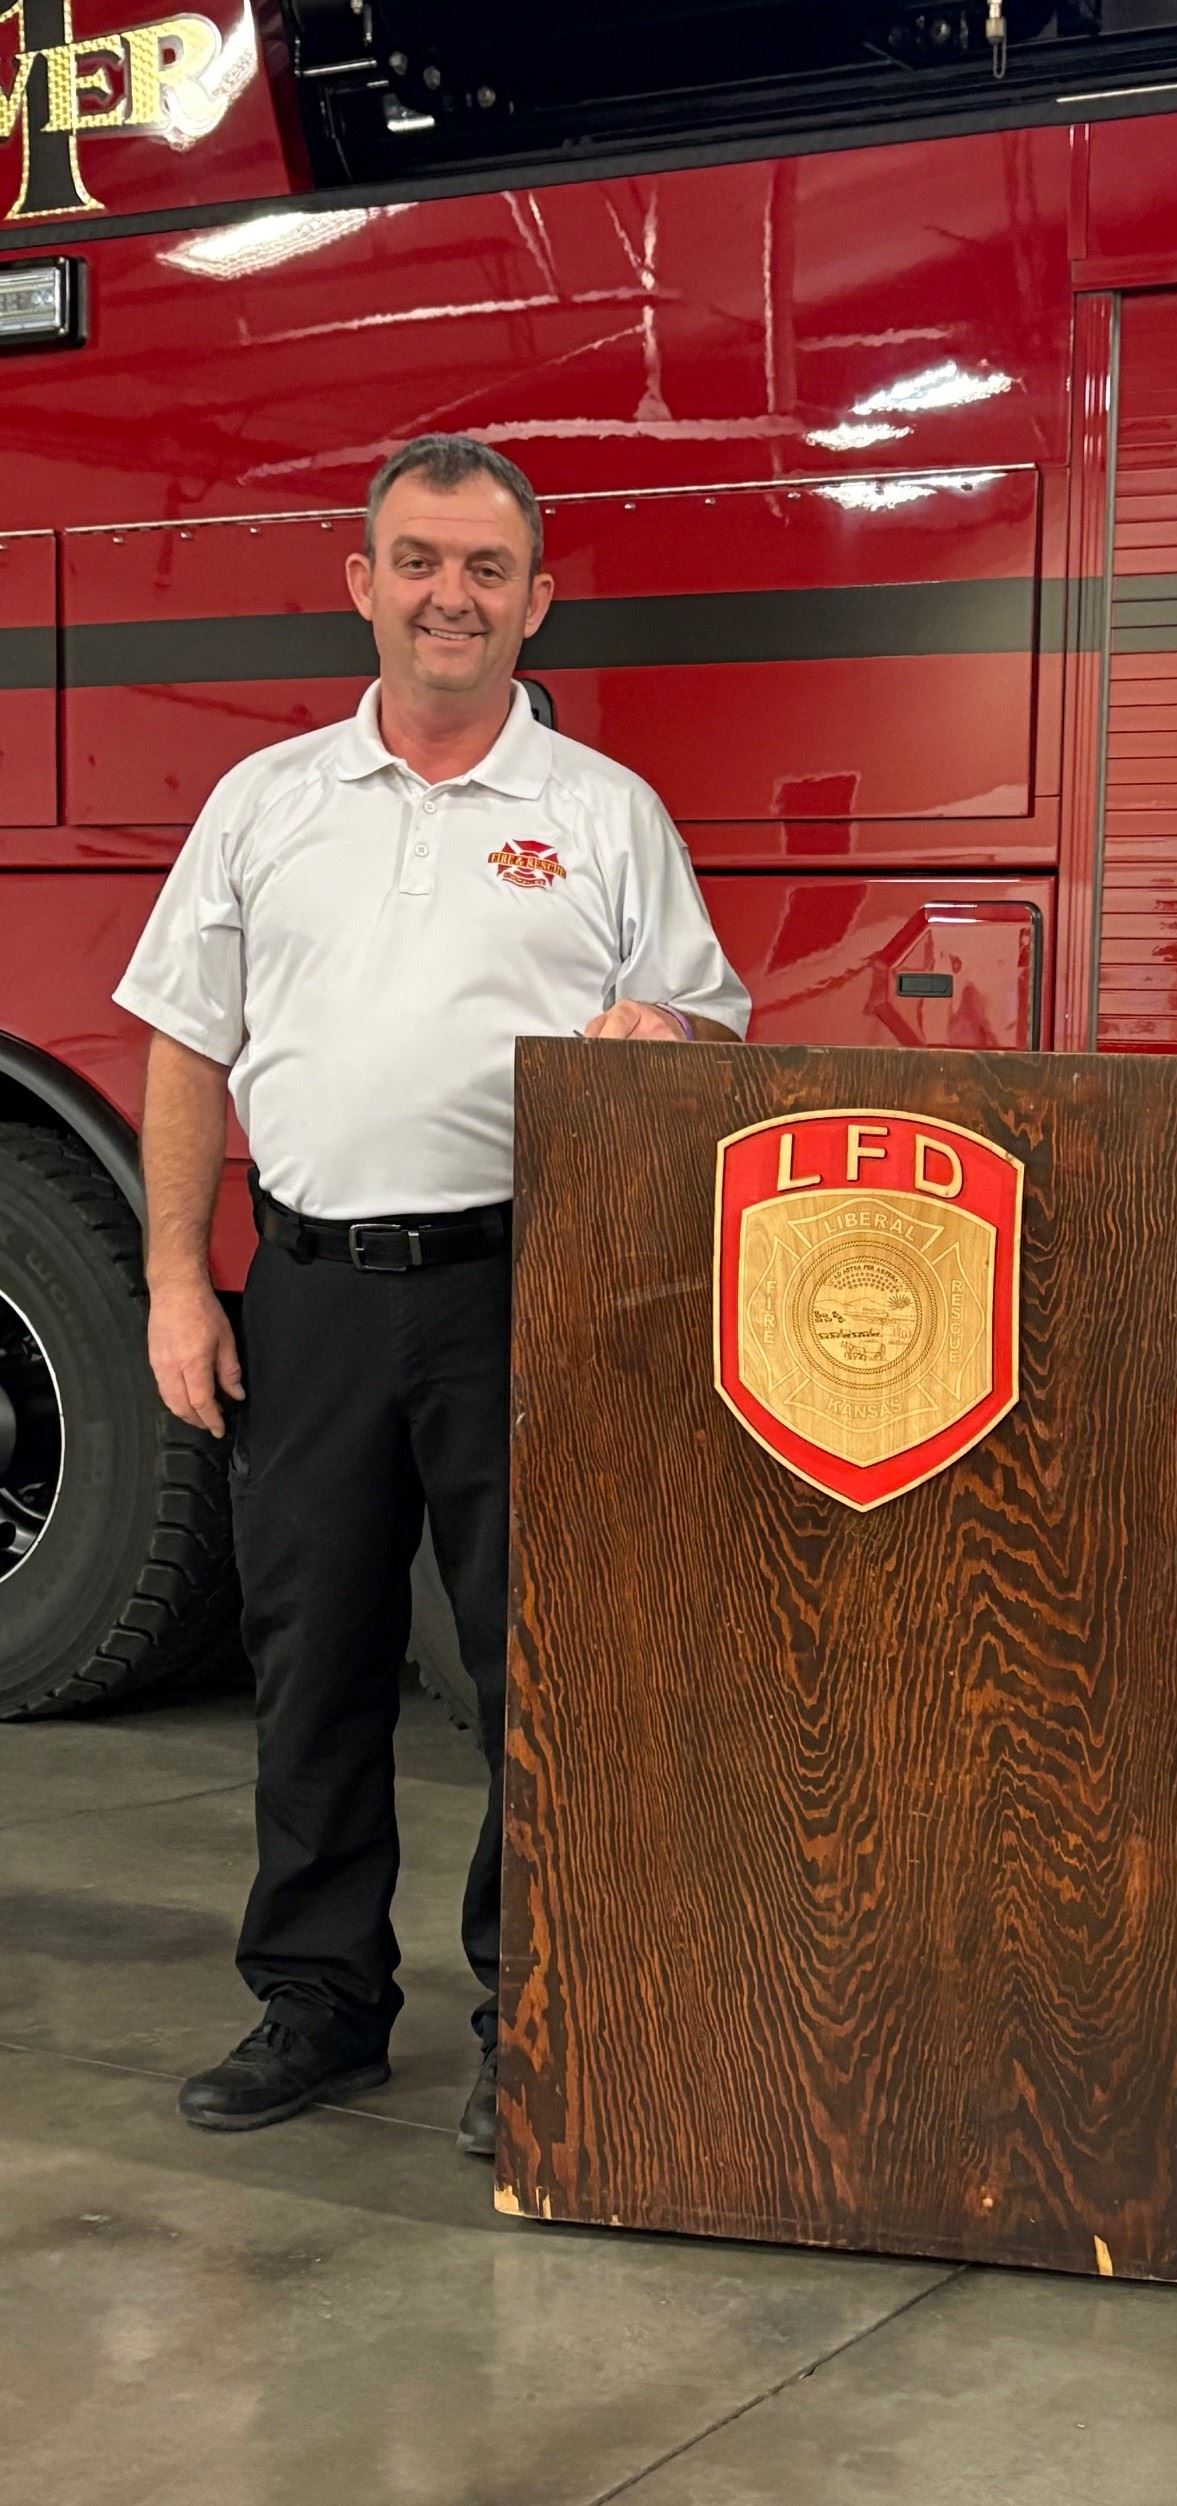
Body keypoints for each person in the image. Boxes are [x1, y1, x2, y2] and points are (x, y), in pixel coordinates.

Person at [114, 435, 750, 2159]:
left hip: (516, 1289)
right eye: (416, 561)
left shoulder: (605, 815)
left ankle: (526, 2013)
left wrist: (663, 1032)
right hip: (310, 1289)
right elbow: (185, 1045)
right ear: (362, 584)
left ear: (536, 601)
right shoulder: (266, 803)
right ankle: (316, 2003)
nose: (448, 596)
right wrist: (182, 1280)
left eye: (484, 568)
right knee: (307, 1654)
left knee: (531, 1664)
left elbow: (709, 1020)